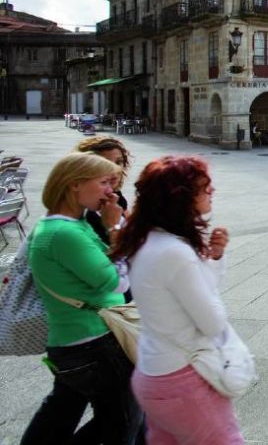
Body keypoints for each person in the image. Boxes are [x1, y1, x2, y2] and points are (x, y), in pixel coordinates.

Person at [109, 155, 243, 444]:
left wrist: (213, 260)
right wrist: (207, 289)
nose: (212, 192)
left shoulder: (146, 240)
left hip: (152, 374)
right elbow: (212, 323)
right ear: (181, 198)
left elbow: (179, 293)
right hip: (182, 380)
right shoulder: (174, 252)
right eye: (205, 188)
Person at [22, 152, 143, 444]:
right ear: (74, 184)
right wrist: (114, 228)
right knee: (123, 422)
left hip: (79, 342)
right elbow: (115, 281)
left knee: (66, 413)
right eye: (103, 182)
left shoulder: (75, 225)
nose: (110, 191)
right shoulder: (64, 232)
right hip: (94, 344)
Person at [75, 135, 131, 245]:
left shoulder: (117, 197)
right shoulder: (82, 211)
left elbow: (134, 229)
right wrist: (113, 228)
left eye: (119, 162)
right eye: (105, 163)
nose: (115, 169)